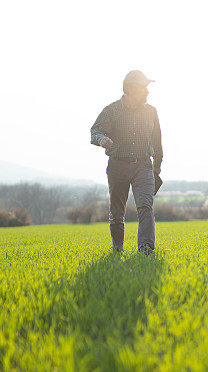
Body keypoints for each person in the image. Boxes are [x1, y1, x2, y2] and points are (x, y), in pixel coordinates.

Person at [90, 70, 163, 254]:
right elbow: (95, 131)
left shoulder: (151, 112)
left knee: (145, 206)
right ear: (130, 89)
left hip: (143, 165)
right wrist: (101, 140)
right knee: (117, 214)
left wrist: (157, 166)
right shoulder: (112, 110)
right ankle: (117, 249)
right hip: (117, 166)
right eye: (143, 88)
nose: (147, 92)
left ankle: (146, 248)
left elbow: (157, 141)